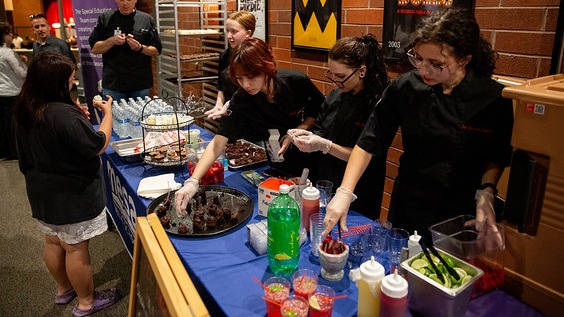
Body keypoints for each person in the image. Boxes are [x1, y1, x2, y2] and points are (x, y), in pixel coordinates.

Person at [322, 8, 514, 240]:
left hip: (459, 207)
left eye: (436, 63)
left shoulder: (492, 97)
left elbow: (496, 153)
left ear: (464, 59)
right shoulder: (407, 87)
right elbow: (370, 139)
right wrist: (345, 191)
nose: (423, 69)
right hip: (409, 201)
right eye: (419, 58)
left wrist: (487, 193)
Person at [13, 51, 120, 316]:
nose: (73, 83)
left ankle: (63, 290)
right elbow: (98, 145)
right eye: (70, 80)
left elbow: (28, 153)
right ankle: (86, 301)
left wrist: (76, 118)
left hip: (40, 192)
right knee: (75, 247)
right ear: (55, 83)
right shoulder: (62, 114)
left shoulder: (24, 109)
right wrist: (107, 115)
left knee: (53, 241)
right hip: (71, 195)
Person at [174, 38, 325, 215]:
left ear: (266, 68)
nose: (246, 84)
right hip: (277, 157)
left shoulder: (294, 81)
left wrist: (300, 129)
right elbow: (218, 142)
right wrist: (193, 181)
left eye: (251, 77)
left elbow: (319, 110)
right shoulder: (242, 98)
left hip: (310, 155)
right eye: (239, 78)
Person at [287, 34, 389, 217]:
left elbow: (366, 156)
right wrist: (303, 135)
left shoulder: (378, 103)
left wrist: (325, 145)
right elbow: (320, 128)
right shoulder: (336, 95)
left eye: (340, 76)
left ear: (362, 71)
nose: (334, 80)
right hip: (326, 180)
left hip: (361, 189)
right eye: (331, 74)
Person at [89, 0, 162, 101]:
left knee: (140, 116)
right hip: (113, 84)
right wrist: (112, 41)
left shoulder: (146, 19)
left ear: (135, 0)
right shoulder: (106, 18)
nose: (125, 3)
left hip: (140, 84)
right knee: (113, 116)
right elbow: (95, 49)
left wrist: (140, 48)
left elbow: (157, 51)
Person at [205, 10, 256, 120]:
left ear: (248, 33)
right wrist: (219, 105)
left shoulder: (255, 56)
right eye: (227, 30)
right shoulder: (225, 55)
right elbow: (221, 84)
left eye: (234, 31)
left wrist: (230, 104)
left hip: (250, 115)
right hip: (228, 113)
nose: (228, 36)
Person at [0, 22, 27, 160]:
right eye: (9, 33)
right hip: (12, 92)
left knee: (2, 124)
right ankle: (16, 151)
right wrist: (23, 62)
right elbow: (22, 73)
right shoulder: (8, 53)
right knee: (14, 124)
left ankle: (4, 151)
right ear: (3, 35)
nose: (11, 36)